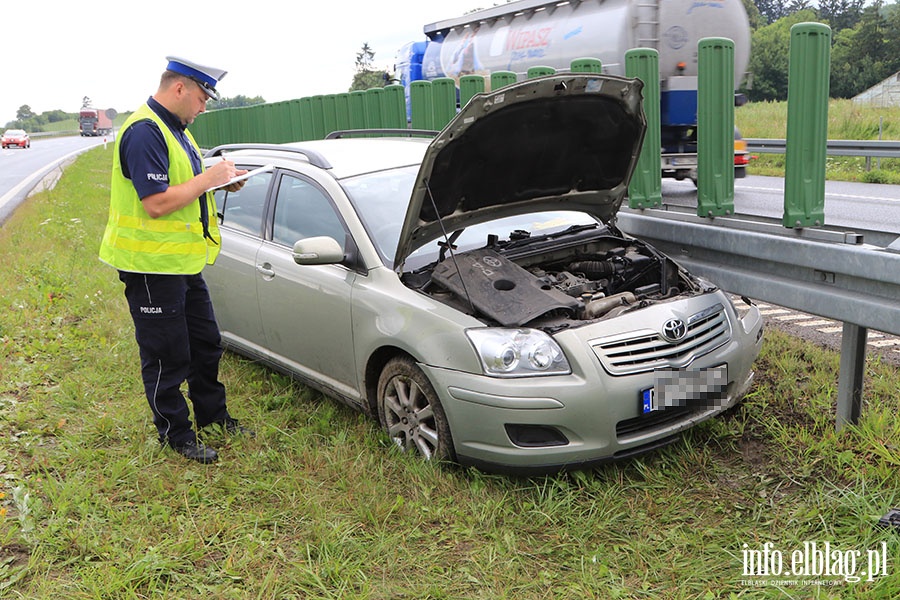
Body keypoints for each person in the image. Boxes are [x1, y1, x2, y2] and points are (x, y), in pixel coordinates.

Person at [99, 56, 252, 464]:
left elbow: (184, 186)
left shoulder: (175, 129)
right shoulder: (145, 131)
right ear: (180, 88)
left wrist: (223, 184)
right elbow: (156, 204)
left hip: (182, 264)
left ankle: (213, 416)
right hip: (150, 266)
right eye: (202, 98)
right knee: (167, 354)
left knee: (206, 344)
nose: (204, 108)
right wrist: (208, 179)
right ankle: (175, 434)